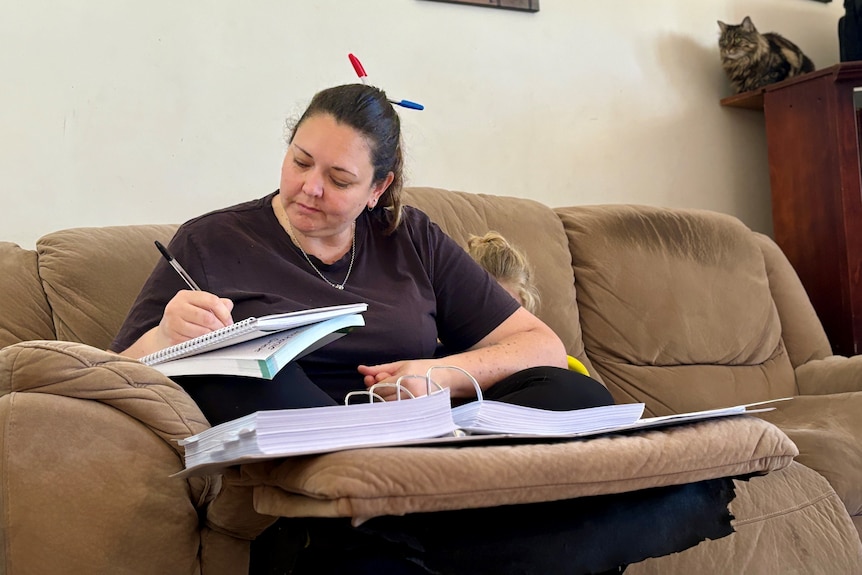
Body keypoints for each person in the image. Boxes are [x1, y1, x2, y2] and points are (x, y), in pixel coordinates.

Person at [111, 83, 614, 574]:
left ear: (378, 188)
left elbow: (541, 345)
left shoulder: (410, 236)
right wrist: (165, 336)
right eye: (300, 161)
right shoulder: (211, 241)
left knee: (575, 391)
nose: (310, 187)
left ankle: (420, 530)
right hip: (312, 462)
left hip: (430, 449)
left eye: (339, 178)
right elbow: (111, 374)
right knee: (255, 374)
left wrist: (441, 374)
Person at [466, 231, 591, 376]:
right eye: (487, 311)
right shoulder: (443, 361)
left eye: (509, 312)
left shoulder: (554, 360)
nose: (497, 324)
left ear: (524, 308)